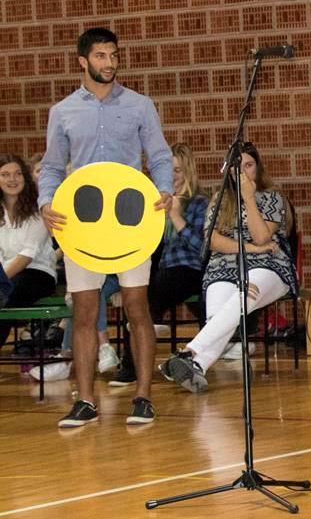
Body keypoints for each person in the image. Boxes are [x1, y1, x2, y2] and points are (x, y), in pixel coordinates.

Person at [39, 27, 173, 428]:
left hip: (131, 220)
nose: (109, 63)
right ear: (83, 61)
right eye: (101, 56)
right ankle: (85, 402)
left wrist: (165, 189)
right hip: (82, 224)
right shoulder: (62, 111)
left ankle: (143, 397)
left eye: (113, 55)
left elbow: (160, 156)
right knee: (84, 310)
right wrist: (45, 203)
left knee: (136, 305)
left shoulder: (140, 105)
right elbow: (52, 167)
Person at [159, 142, 295, 393]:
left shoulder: (272, 197)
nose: (244, 172)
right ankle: (197, 366)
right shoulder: (219, 200)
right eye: (238, 168)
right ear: (229, 172)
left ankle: (189, 352)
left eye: (249, 165)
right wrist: (250, 249)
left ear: (258, 167)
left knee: (243, 295)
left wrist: (249, 198)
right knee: (217, 316)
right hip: (224, 264)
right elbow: (212, 241)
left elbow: (262, 237)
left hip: (267, 265)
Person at [109, 142, 208, 386]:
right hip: (165, 268)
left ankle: (134, 362)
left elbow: (202, 247)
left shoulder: (200, 203)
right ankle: (138, 350)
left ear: (188, 172)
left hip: (190, 268)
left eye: (177, 170)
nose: (172, 177)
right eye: (167, 171)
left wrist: (176, 216)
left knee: (148, 298)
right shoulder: (155, 205)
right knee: (135, 297)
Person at [0, 154, 58, 347]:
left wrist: (2, 279)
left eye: (17, 174)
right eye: (5, 174)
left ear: (25, 178)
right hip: (7, 274)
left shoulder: (38, 209)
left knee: (8, 294)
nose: (12, 179)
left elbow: (27, 255)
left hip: (38, 274)